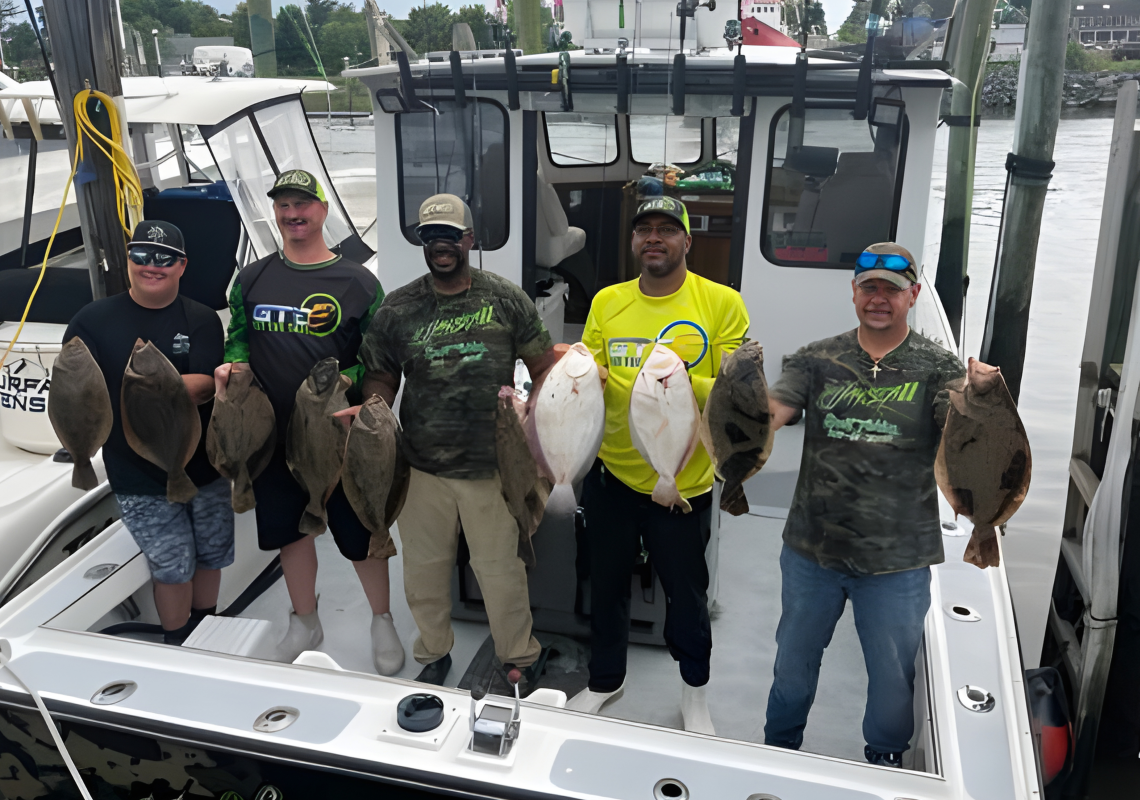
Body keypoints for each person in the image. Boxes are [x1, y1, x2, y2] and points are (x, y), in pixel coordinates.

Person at [763, 242, 966, 766]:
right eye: (869, 288)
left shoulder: (939, 367)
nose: (879, 299)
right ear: (853, 292)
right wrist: (733, 396)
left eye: (891, 291)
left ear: (912, 296)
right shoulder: (816, 358)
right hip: (812, 551)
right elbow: (773, 411)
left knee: (892, 677)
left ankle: (885, 760)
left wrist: (982, 399)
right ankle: (779, 750)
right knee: (792, 666)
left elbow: (960, 436)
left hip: (898, 560)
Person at [346, 193, 558, 688]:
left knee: (501, 571)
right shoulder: (398, 307)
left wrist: (539, 418)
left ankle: (519, 656)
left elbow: (544, 368)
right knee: (424, 572)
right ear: (422, 242)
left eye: (450, 235)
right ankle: (434, 651)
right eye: (430, 236)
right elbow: (381, 375)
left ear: (469, 240)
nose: (440, 245)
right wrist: (373, 408)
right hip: (421, 467)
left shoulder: (506, 298)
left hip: (492, 464)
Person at [570, 197, 750, 734]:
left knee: (687, 594)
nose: (655, 237)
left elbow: (736, 387)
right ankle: (605, 680)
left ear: (687, 242)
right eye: (644, 229)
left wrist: (670, 380)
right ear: (633, 242)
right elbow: (590, 368)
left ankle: (695, 693)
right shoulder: (608, 301)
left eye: (668, 229)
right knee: (606, 584)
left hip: (683, 480)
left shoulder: (722, 303)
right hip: (613, 473)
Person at [215, 169, 404, 674]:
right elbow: (238, 339)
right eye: (283, 205)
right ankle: (305, 621)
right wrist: (233, 366)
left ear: (323, 210)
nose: (293, 214)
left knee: (361, 531)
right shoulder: (250, 279)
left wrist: (356, 387)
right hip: (271, 436)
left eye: (303, 204)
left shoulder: (359, 282)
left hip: (337, 437)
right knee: (291, 533)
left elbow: (379, 360)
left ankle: (382, 619)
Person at [63, 220, 232, 645]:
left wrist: (143, 385)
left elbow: (206, 384)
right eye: (141, 255)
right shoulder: (91, 320)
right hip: (136, 471)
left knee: (211, 554)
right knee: (172, 565)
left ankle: (205, 631)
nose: (151, 265)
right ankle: (177, 643)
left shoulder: (202, 318)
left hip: (204, 465)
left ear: (182, 266)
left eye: (164, 258)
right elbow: (74, 389)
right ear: (128, 260)